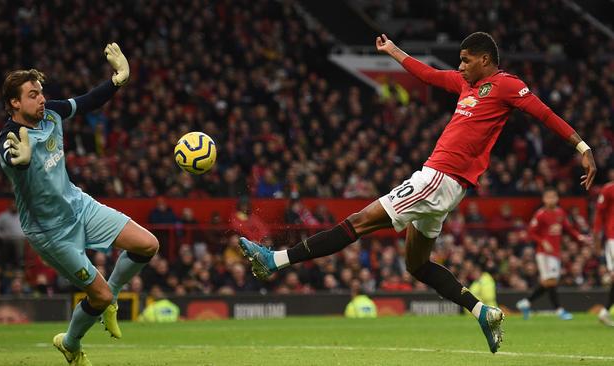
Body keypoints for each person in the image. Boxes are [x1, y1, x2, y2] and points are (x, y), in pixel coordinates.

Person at [239, 32, 596, 354]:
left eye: (466, 60)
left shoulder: (505, 85)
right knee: (417, 264)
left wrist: (582, 147)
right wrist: (394, 51)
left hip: (440, 177)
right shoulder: (465, 85)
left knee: (358, 222)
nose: (460, 66)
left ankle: (275, 260)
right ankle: (482, 311)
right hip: (443, 183)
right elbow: (429, 75)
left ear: (485, 59)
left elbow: (545, 114)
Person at [0, 43, 159, 365]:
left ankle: (109, 299)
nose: (41, 98)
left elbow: (86, 102)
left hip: (79, 205)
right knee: (96, 295)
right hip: (50, 232)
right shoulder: (8, 137)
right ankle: (71, 344)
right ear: (14, 103)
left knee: (148, 245)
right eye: (32, 95)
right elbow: (11, 158)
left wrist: (118, 80)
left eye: (41, 92)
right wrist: (22, 161)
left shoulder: (52, 113)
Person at [516, 187, 588, 320]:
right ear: (544, 199)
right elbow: (531, 232)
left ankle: (526, 302)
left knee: (548, 281)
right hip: (543, 253)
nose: (551, 199)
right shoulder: (540, 214)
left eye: (553, 197)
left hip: (555, 252)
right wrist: (543, 241)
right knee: (552, 281)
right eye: (548, 197)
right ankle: (559, 310)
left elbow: (569, 228)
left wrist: (579, 237)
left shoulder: (560, 213)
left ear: (557, 198)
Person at [593, 169, 614, 326]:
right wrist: (596, 236)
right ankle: (605, 311)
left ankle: (604, 312)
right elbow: (599, 215)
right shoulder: (608, 189)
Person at [0, 200, 26, 268]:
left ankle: (29, 263)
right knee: (18, 242)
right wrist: (1, 235)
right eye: (12, 205)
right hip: (10, 238)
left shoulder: (22, 214)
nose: (14, 206)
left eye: (15, 205)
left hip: (24, 238)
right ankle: (20, 263)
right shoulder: (4, 216)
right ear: (9, 206)